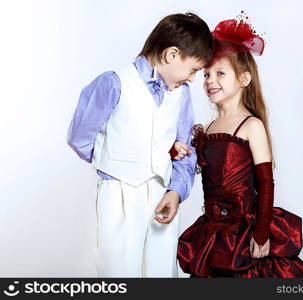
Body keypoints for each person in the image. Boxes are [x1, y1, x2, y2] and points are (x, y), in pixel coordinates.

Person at [66, 12, 213, 277]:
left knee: (161, 272)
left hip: (162, 195)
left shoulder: (182, 94)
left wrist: (176, 191)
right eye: (193, 69)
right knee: (118, 271)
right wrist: (114, 160)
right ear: (172, 55)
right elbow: (80, 137)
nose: (192, 78)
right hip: (119, 194)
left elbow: (185, 146)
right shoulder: (114, 83)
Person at [176, 17, 303, 277]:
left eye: (220, 73)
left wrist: (262, 233)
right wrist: (177, 150)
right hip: (214, 233)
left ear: (244, 78)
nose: (210, 81)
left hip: (246, 233)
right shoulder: (208, 128)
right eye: (207, 74)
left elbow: (266, 183)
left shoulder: (250, 125)